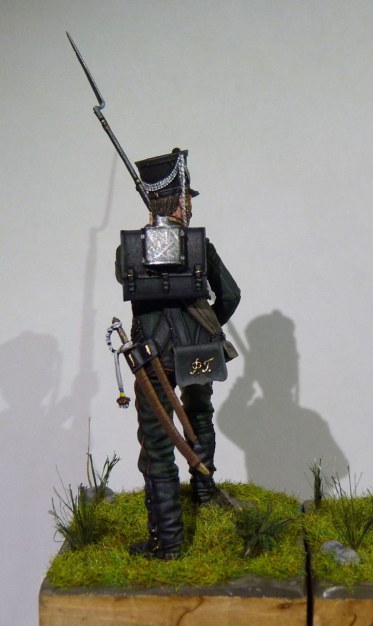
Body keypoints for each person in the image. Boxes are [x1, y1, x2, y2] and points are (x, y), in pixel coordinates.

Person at [115, 148, 241, 559]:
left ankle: (167, 540)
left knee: (157, 441)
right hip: (197, 351)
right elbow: (231, 294)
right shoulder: (201, 246)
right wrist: (207, 325)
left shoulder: (129, 250)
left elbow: (125, 277)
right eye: (187, 199)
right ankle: (204, 492)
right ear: (181, 201)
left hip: (152, 358)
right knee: (199, 413)